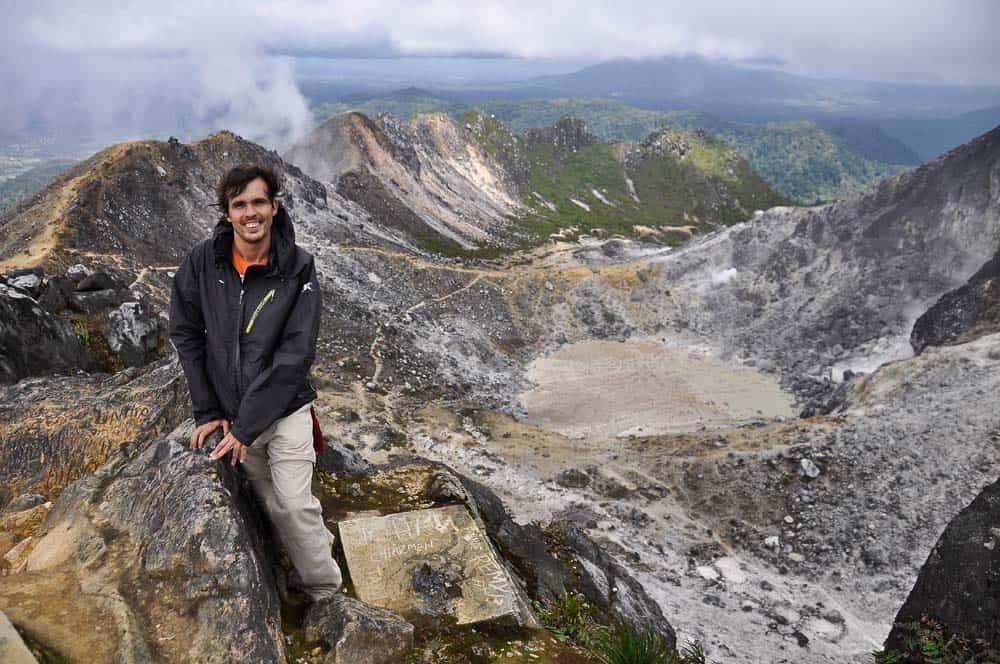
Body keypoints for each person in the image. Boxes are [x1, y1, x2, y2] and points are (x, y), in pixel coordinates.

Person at [169, 163, 342, 601]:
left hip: (285, 412)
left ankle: (326, 593)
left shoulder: (298, 268)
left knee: (293, 504)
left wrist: (246, 427)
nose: (250, 212)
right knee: (274, 506)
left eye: (258, 202)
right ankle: (320, 549)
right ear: (227, 212)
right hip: (233, 415)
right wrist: (208, 411)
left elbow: (295, 357)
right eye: (239, 204)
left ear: (274, 206)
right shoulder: (202, 262)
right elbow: (186, 333)